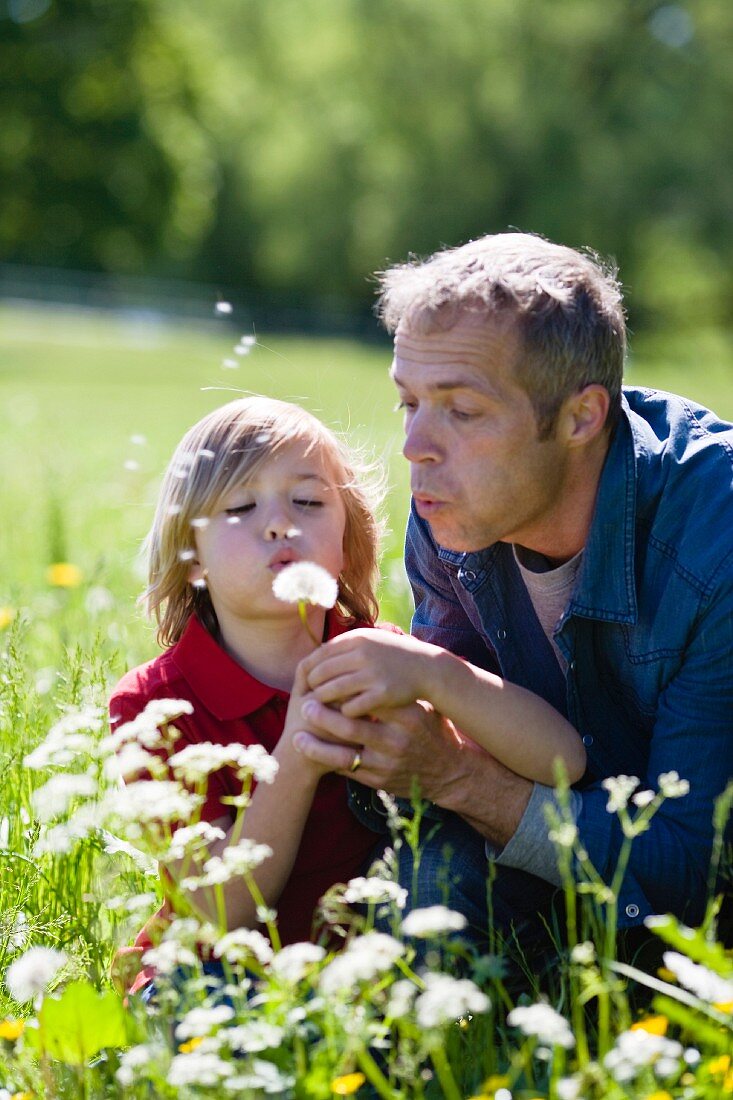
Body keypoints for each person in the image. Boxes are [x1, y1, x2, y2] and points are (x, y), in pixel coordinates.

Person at [294, 231, 733, 955]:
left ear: (579, 417)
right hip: (567, 844)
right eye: (409, 403)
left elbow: (692, 867)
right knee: (414, 899)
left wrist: (463, 779)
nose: (415, 447)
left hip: (699, 920)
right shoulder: (451, 511)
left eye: (460, 411)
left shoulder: (712, 544)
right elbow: (451, 744)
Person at [109, 396, 390, 998]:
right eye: (240, 506)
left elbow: (555, 759)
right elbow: (219, 914)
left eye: (309, 502)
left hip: (360, 977)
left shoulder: (379, 662)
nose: (280, 523)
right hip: (215, 972)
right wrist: (300, 751)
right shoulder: (153, 707)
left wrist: (443, 680)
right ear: (191, 559)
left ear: (347, 540)